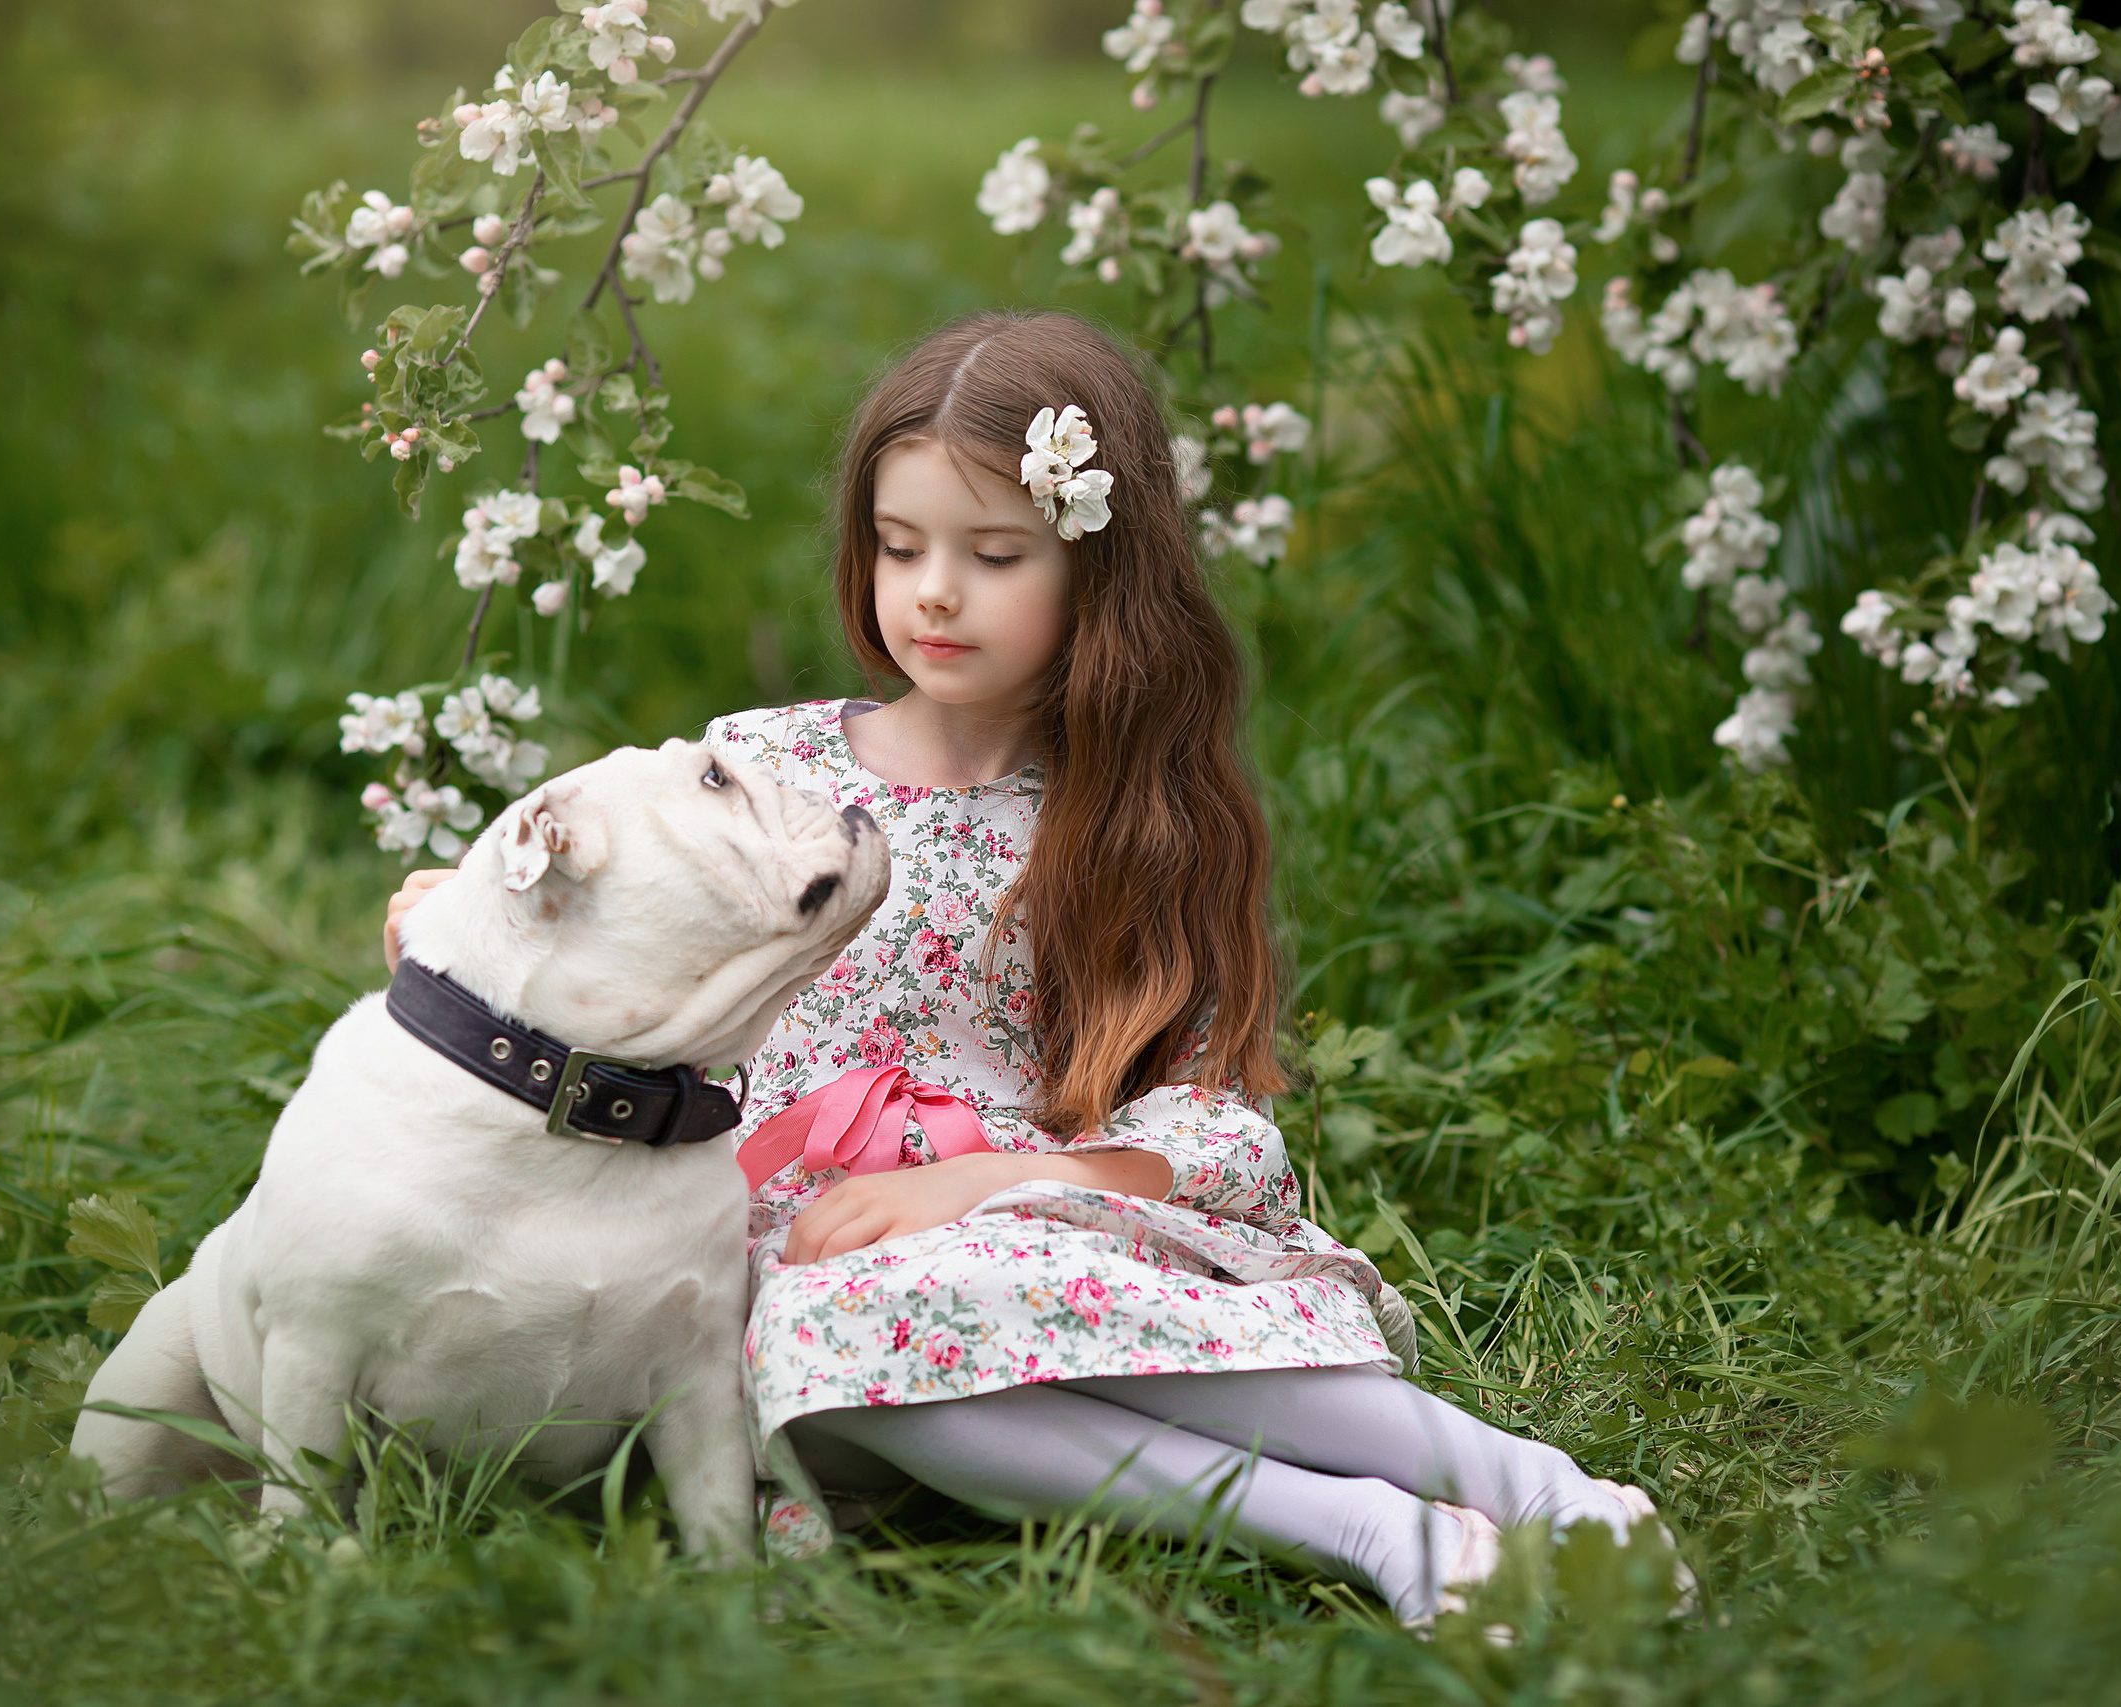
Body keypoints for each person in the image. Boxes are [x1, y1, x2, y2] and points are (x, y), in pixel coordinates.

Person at [383, 310, 1669, 1626]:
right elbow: (623, 955)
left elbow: (1209, 1108)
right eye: (899, 548)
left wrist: (1004, 1177)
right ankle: (1372, 1531)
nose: (934, 591)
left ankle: (1544, 1494)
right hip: (775, 1251)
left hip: (1028, 1210)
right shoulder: (760, 774)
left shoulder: (1125, 823)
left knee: (1034, 1298)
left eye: (994, 555)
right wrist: (477, 924)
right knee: (852, 1323)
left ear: (1101, 575)